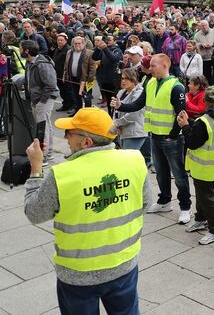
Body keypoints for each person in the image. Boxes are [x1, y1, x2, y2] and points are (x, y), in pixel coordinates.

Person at [23, 107, 151, 315]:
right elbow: (146, 203)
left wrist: (36, 167)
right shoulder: (134, 160)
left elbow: (34, 213)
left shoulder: (62, 175)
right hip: (124, 265)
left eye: (70, 133)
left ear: (86, 142)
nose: (65, 137)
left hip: (78, 275)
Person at [112, 53, 192, 224]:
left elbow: (181, 114)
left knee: (178, 175)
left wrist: (172, 135)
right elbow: (139, 104)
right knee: (161, 173)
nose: (149, 69)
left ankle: (186, 207)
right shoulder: (150, 82)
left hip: (171, 139)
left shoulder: (176, 87)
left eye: (153, 66)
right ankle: (164, 201)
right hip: (154, 135)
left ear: (164, 65)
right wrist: (121, 105)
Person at [178, 86, 214, 245]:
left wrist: (185, 126)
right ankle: (201, 219)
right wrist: (191, 123)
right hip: (212, 163)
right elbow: (206, 133)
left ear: (204, 100)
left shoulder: (204, 121)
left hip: (202, 165)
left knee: (207, 198)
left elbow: (193, 142)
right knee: (202, 195)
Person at [21, 40, 59, 164]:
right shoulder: (31, 63)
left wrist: (41, 101)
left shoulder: (42, 64)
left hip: (44, 99)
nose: (20, 51)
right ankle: (48, 152)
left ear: (26, 51)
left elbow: (51, 84)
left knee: (43, 127)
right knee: (45, 125)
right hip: (38, 99)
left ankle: (44, 156)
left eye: (21, 49)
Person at [112, 68, 146, 151]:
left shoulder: (139, 93)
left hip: (134, 133)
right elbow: (116, 111)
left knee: (128, 160)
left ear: (133, 79)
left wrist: (117, 123)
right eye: (122, 78)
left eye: (126, 78)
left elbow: (133, 115)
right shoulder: (121, 92)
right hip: (123, 132)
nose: (123, 81)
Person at [63, 35, 96, 114]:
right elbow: (66, 65)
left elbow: (92, 67)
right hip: (73, 78)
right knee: (76, 96)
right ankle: (78, 112)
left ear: (83, 44)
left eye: (79, 43)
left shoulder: (90, 53)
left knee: (86, 98)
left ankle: (88, 114)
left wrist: (90, 79)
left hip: (85, 80)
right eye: (76, 43)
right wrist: (65, 75)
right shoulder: (69, 52)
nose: (77, 45)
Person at [92, 35, 123, 113]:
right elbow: (94, 57)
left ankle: (114, 116)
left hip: (113, 80)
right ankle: (110, 115)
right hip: (103, 79)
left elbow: (113, 59)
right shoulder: (103, 49)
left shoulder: (117, 50)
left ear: (115, 41)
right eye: (106, 39)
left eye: (109, 40)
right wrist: (98, 48)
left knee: (113, 100)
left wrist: (105, 48)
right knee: (109, 100)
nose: (107, 41)